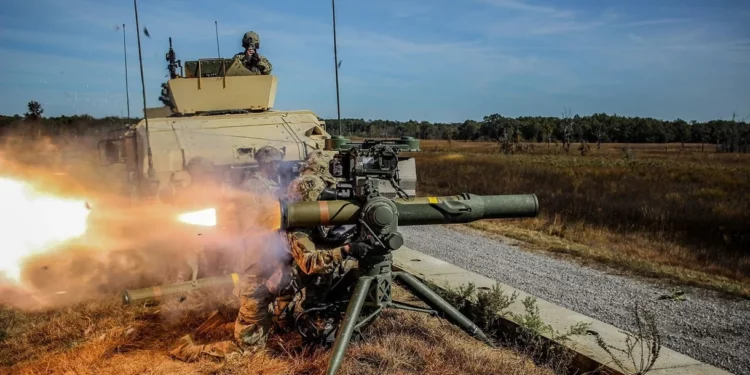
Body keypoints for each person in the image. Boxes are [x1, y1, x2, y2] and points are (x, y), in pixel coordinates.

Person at [169, 148, 371, 361]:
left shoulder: (306, 219)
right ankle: (185, 350)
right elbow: (311, 263)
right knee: (248, 351)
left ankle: (303, 315)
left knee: (324, 274)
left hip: (279, 279)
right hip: (257, 286)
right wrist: (348, 250)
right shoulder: (295, 226)